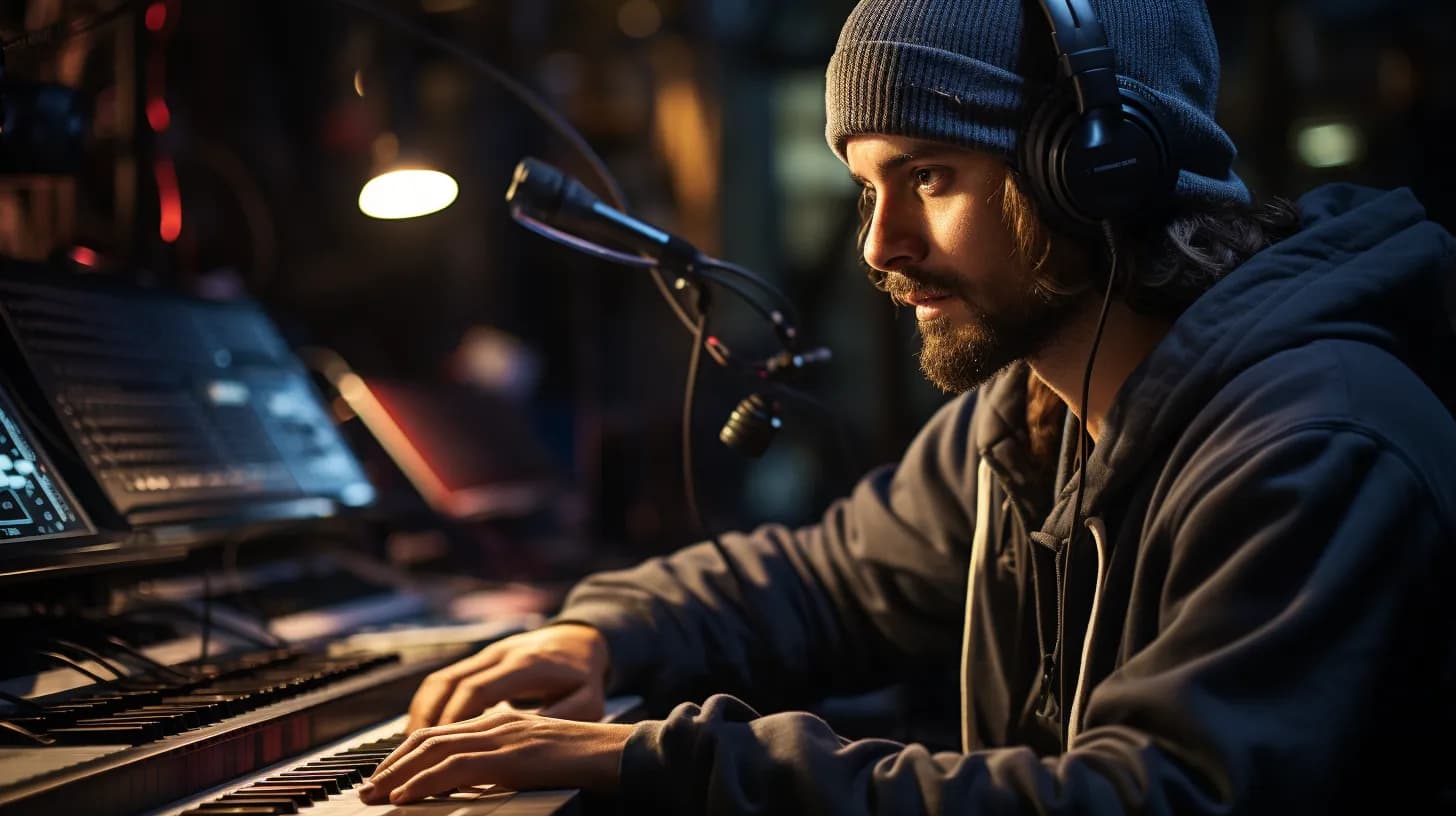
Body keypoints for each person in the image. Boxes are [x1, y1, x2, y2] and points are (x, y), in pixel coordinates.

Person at [358, 0, 1456, 811]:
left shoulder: (1316, 445)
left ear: (1099, 169)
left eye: (928, 177)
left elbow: (1145, 798)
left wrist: (671, 758)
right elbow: (830, 577)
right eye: (865, 188)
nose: (880, 247)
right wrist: (604, 634)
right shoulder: (1027, 418)